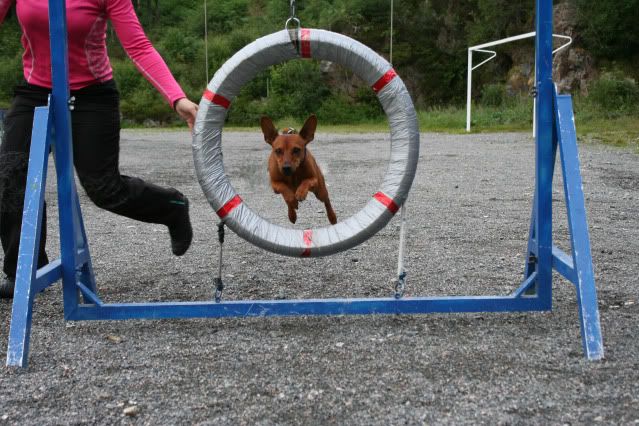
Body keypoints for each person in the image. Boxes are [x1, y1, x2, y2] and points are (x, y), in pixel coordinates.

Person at [0, 0, 199, 298]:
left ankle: (172, 207)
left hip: (92, 96)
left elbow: (139, 47)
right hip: (37, 91)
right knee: (10, 176)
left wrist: (176, 98)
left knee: (105, 190)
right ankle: (25, 271)